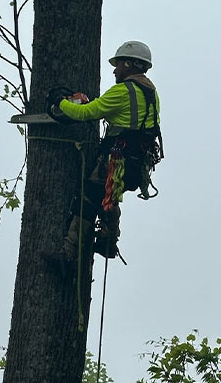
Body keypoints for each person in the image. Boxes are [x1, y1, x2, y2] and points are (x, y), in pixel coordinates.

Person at [43, 40, 163, 274]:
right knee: (108, 196)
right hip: (136, 165)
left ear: (129, 64)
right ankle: (108, 239)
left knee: (88, 199)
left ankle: (67, 254)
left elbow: (85, 113)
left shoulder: (123, 91)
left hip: (116, 161)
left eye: (118, 65)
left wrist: (60, 102)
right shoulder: (151, 92)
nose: (115, 70)